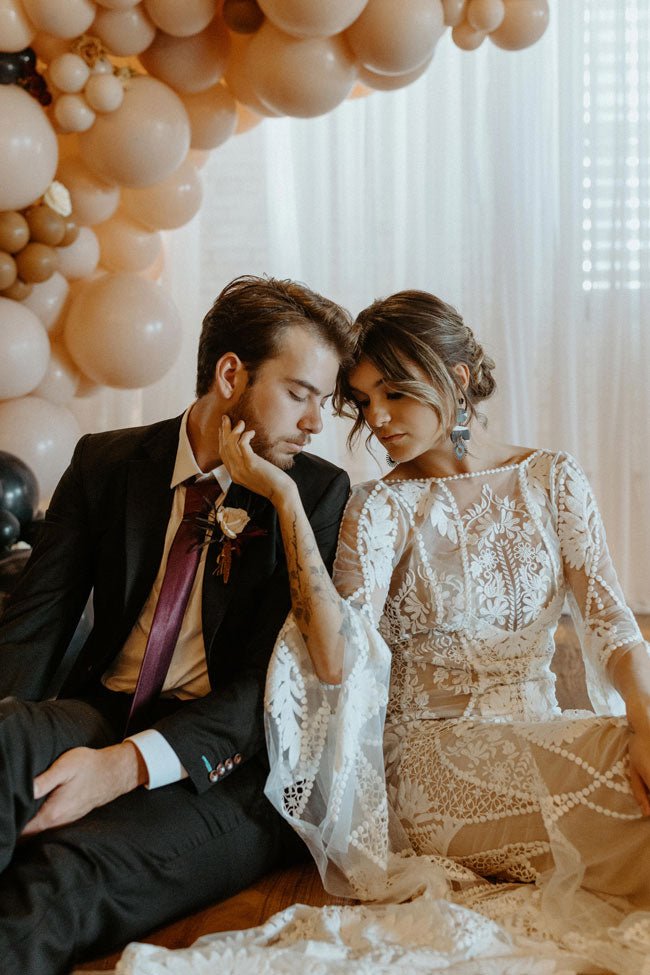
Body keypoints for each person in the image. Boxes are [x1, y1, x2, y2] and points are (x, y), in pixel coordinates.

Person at [140, 289, 649, 974]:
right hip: (428, 764)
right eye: (363, 398)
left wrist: (645, 718)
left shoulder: (553, 479)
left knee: (629, 761)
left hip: (542, 729)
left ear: (458, 381)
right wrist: (284, 498)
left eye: (395, 393)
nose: (376, 419)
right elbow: (333, 658)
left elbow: (612, 620)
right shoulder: (380, 507)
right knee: (620, 785)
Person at [0, 274, 354, 974]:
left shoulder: (311, 494)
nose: (316, 423)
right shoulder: (104, 462)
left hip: (228, 769)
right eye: (299, 394)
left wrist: (124, 768)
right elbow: (34, 630)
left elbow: (266, 689)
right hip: (102, 707)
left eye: (324, 402)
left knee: (67, 874)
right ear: (231, 374)